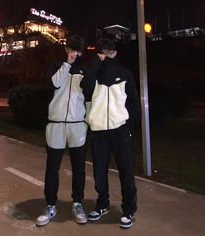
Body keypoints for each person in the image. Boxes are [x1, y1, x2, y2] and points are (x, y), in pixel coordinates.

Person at [82, 36, 140, 229]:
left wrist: (128, 126)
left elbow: (133, 102)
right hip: (99, 131)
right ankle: (102, 204)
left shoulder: (124, 73)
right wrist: (96, 64)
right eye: (101, 53)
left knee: (126, 172)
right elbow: (85, 87)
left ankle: (129, 209)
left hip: (119, 130)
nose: (105, 57)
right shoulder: (93, 74)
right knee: (99, 172)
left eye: (109, 52)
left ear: (115, 52)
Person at [36, 35, 88, 226]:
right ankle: (50, 205)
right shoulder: (57, 65)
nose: (74, 53)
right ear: (66, 49)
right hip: (56, 124)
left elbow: (89, 96)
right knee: (52, 168)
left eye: (78, 50)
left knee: (79, 168)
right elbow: (54, 84)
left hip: (77, 125)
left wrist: (87, 122)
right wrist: (67, 64)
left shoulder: (85, 69)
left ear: (82, 51)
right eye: (71, 49)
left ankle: (78, 203)